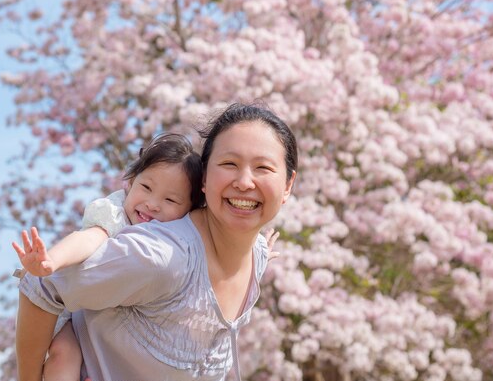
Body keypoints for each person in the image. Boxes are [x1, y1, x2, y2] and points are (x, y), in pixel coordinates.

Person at [16, 102, 297, 381]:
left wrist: (260, 255)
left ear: (287, 186)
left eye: (263, 167)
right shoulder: (160, 256)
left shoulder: (254, 254)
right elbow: (43, 283)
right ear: (205, 177)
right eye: (229, 164)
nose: (245, 182)